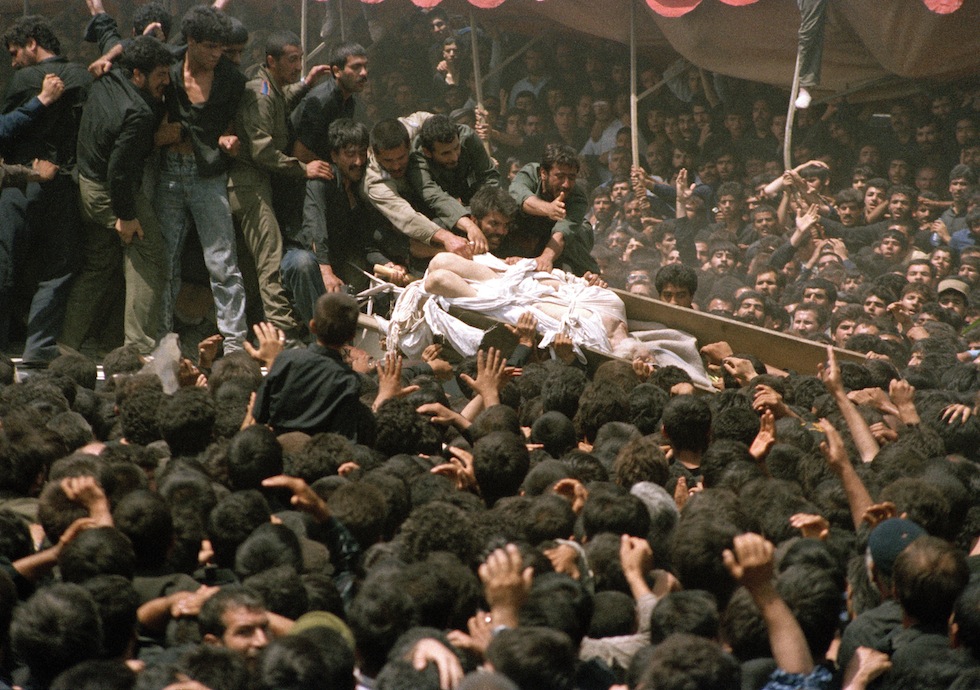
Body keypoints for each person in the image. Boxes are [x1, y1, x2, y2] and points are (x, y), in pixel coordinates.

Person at [59, 36, 173, 356]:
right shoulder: (139, 113)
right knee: (150, 254)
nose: (167, 81)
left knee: (100, 264)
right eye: (160, 75)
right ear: (138, 74)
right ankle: (138, 348)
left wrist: (110, 53)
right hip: (108, 192)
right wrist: (126, 216)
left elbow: (124, 41)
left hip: (86, 184)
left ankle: (67, 344)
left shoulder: (108, 77)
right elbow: (120, 172)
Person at [154, 5, 248, 352]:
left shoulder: (231, 79)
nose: (216, 54)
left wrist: (229, 139)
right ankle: (163, 340)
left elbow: (231, 123)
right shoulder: (167, 68)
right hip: (169, 172)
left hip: (208, 174)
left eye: (220, 47)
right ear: (191, 41)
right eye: (209, 46)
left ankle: (235, 342)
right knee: (166, 261)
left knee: (223, 262)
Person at [228, 30, 333, 342]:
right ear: (271, 61)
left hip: (256, 182)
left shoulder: (268, 87)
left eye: (300, 59)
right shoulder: (260, 93)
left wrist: (305, 85)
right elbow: (262, 150)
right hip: (249, 183)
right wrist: (303, 168)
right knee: (270, 260)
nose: (298, 66)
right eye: (291, 60)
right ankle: (284, 333)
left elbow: (278, 103)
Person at [0, 15, 91, 368]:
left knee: (6, 262)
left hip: (21, 185)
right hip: (64, 184)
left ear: (32, 44)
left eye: (14, 52)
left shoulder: (23, 80)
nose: (13, 62)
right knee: (58, 268)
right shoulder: (82, 77)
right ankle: (39, 346)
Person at [282, 119, 405, 325]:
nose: (358, 161)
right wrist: (325, 270)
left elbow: (364, 242)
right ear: (334, 155)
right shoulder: (321, 182)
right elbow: (315, 227)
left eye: (362, 153)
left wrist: (387, 264)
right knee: (303, 263)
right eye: (350, 154)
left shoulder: (359, 190)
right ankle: (322, 336)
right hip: (303, 254)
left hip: (336, 259)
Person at [362, 115, 473, 262]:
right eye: (388, 160)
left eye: (401, 158)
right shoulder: (375, 183)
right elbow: (406, 217)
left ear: (408, 146)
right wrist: (447, 238)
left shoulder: (410, 128)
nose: (396, 166)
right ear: (374, 154)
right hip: (391, 225)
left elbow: (427, 120)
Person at [408, 113, 499, 253]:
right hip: (433, 210)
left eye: (456, 148)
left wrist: (480, 212)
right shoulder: (417, 157)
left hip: (472, 199)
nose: (454, 157)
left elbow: (489, 176)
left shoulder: (467, 137)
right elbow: (434, 197)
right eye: (445, 153)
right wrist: (469, 225)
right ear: (427, 152)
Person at [508, 143, 599, 275]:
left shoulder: (578, 198)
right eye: (560, 177)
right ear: (543, 173)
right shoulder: (530, 173)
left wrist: (545, 259)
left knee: (579, 233)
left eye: (571, 178)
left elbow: (562, 233)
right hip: (526, 231)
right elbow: (519, 197)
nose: (566, 184)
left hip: (559, 241)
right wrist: (548, 209)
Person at [290, 42, 367, 163]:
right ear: (336, 71)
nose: (364, 73)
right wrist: (334, 170)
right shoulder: (321, 101)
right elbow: (300, 153)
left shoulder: (349, 100)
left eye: (365, 66)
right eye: (356, 67)